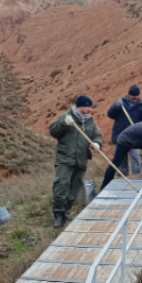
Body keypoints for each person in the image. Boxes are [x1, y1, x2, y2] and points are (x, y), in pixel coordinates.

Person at [49, 95, 103, 228]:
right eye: (88, 106)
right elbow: (53, 131)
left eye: (91, 107)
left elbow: (97, 135)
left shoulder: (90, 122)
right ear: (80, 106)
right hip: (65, 158)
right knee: (62, 184)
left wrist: (97, 143)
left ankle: (65, 211)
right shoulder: (66, 117)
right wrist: (64, 124)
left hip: (81, 159)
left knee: (74, 186)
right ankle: (58, 214)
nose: (90, 109)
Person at [106, 84, 142, 175]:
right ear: (129, 95)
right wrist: (115, 106)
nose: (135, 97)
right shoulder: (121, 104)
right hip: (120, 136)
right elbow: (110, 114)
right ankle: (123, 178)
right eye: (133, 96)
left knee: (135, 157)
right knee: (121, 159)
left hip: (135, 138)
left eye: (137, 95)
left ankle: (136, 177)